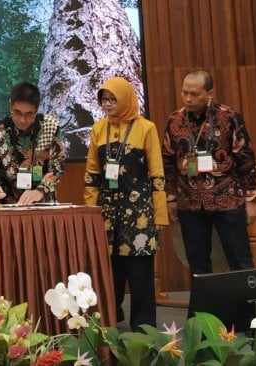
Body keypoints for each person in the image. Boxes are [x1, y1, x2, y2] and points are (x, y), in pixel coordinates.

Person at [83, 77, 168, 331]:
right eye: (104, 100)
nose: (107, 105)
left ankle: (143, 329)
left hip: (139, 212)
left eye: (112, 99)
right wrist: (90, 211)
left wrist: (160, 215)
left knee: (140, 273)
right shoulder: (98, 129)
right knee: (110, 271)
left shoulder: (146, 128)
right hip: (107, 213)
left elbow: (157, 174)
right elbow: (92, 175)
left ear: (125, 99)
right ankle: (110, 320)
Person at [162, 69, 256, 275]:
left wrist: (251, 200)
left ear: (209, 93)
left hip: (227, 199)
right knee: (197, 263)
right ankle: (202, 307)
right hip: (190, 201)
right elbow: (168, 162)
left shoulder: (228, 117)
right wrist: (170, 198)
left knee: (239, 259)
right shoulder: (174, 121)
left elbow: (246, 160)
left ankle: (248, 306)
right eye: (184, 92)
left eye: (194, 94)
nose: (188, 98)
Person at [0, 82, 65, 204]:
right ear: (10, 106)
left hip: (43, 203)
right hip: (8, 204)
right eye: (17, 112)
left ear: (37, 110)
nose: (22, 119)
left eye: (29, 114)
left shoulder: (50, 126)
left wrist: (40, 190)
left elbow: (57, 167)